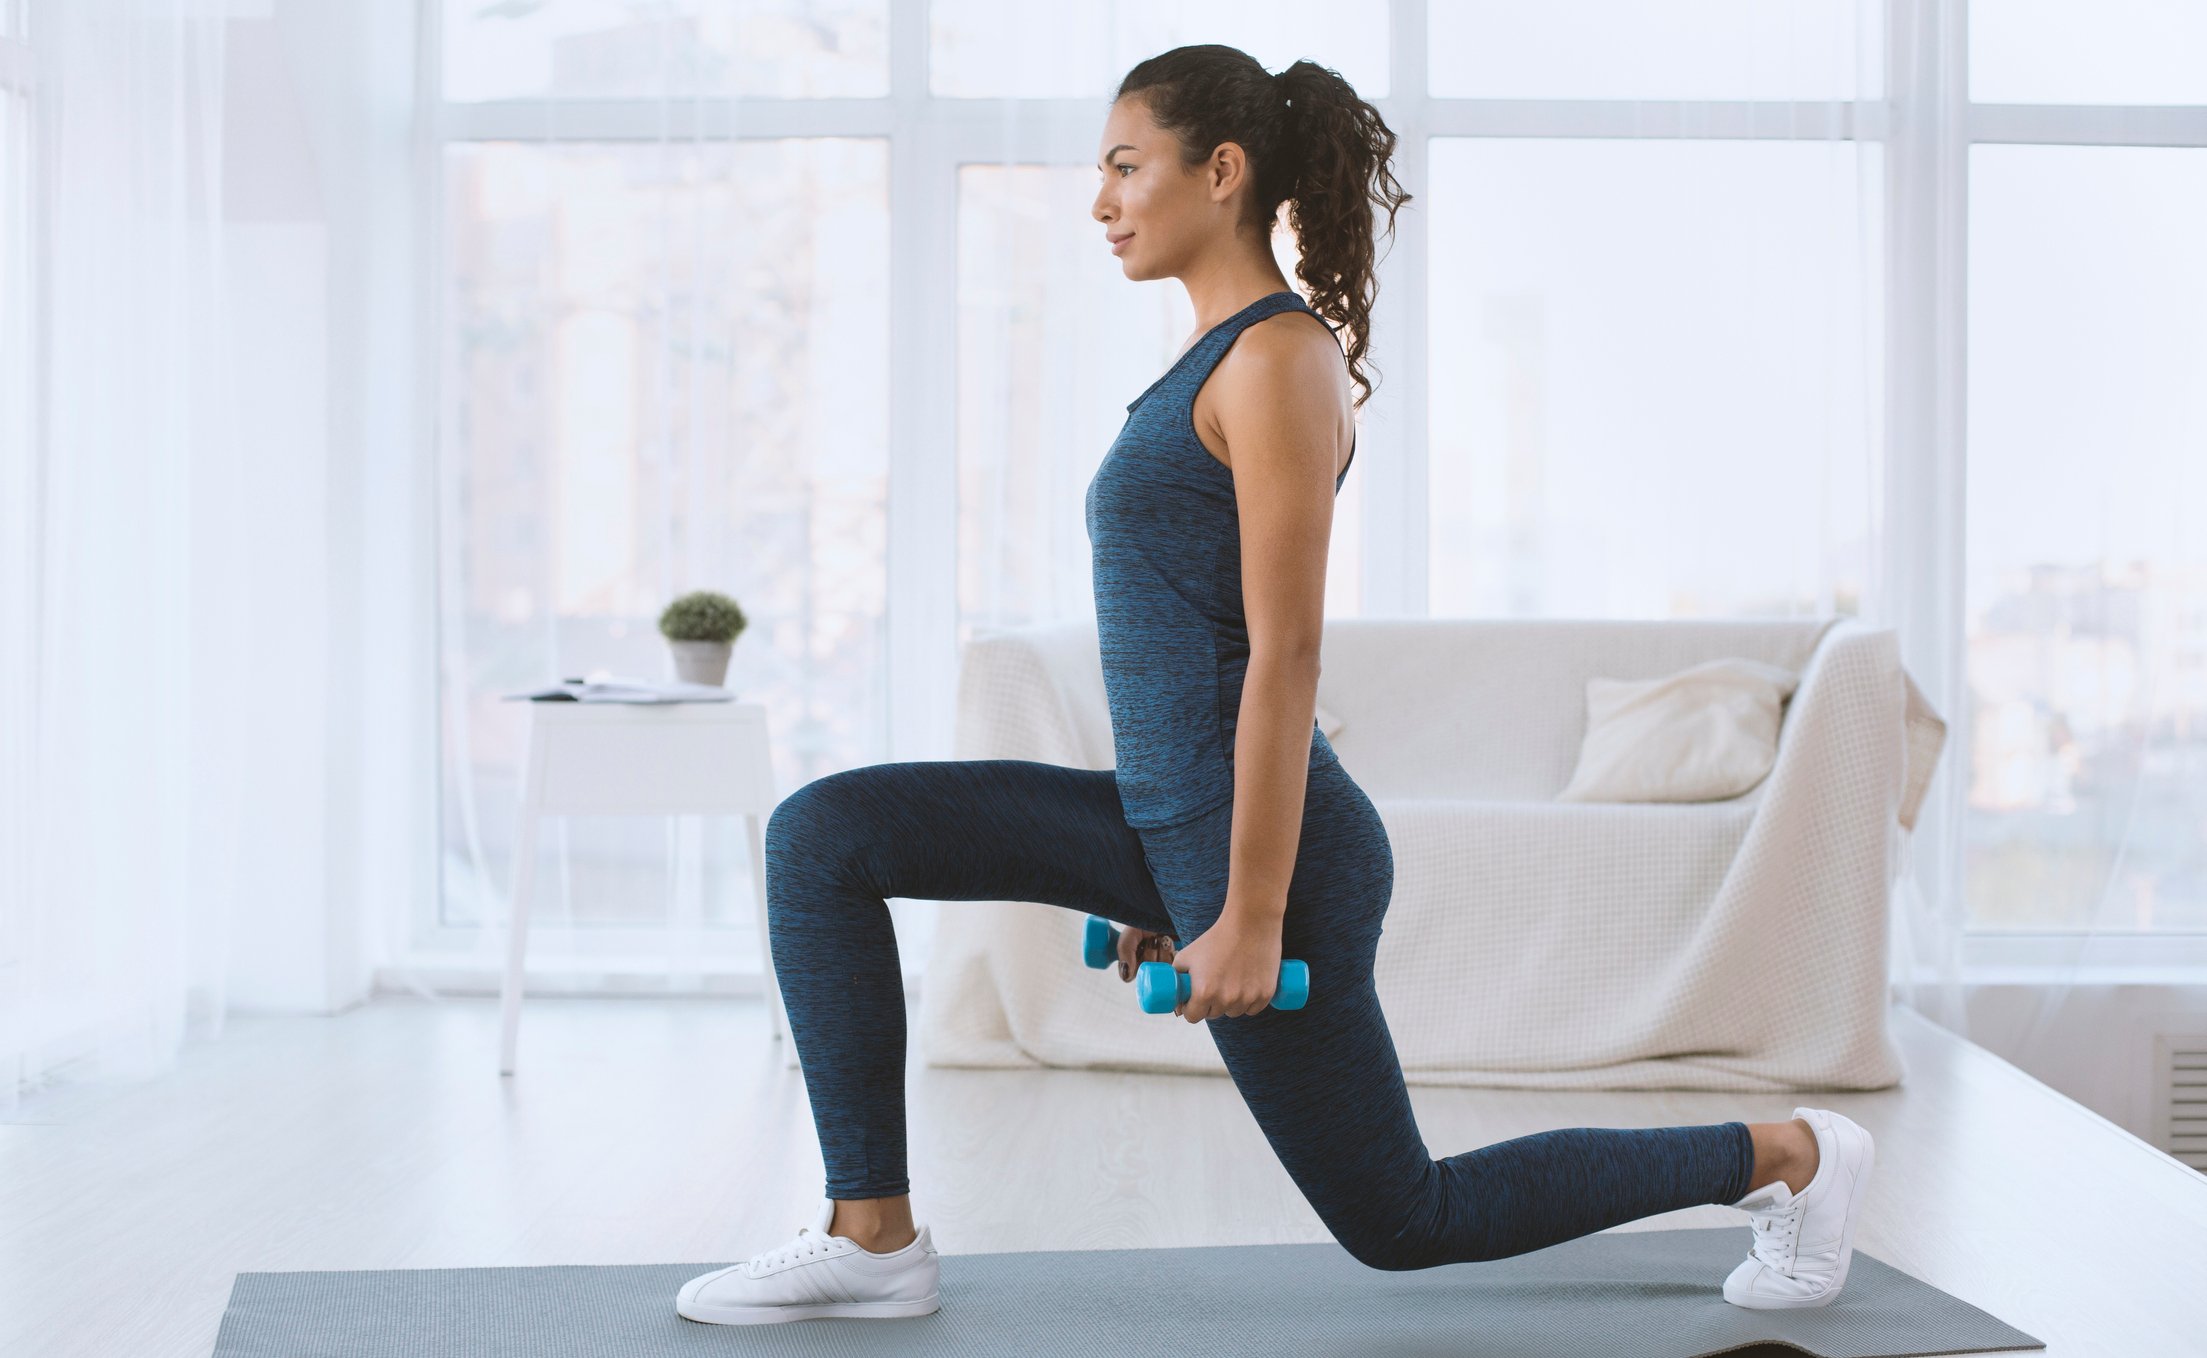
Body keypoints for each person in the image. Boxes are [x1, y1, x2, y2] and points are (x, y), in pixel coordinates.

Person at [675, 44, 1875, 1327]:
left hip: (1277, 857)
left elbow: (1285, 654)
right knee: (822, 836)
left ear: (1222, 170)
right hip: (1166, 822)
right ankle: (872, 1233)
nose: (1100, 202)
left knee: (1404, 1219)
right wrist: (1150, 875)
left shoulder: (1275, 360)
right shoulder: (1208, 361)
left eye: (1126, 168)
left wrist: (1243, 909)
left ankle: (1792, 1154)